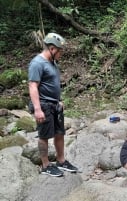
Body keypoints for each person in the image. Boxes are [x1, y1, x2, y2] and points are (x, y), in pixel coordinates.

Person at [28, 33, 78, 177]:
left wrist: (58, 100)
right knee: (44, 135)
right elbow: (33, 86)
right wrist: (37, 109)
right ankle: (45, 166)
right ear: (52, 48)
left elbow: (52, 84)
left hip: (54, 104)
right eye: (60, 51)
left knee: (59, 133)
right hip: (43, 104)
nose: (61, 54)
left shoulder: (52, 63)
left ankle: (61, 161)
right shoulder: (37, 63)